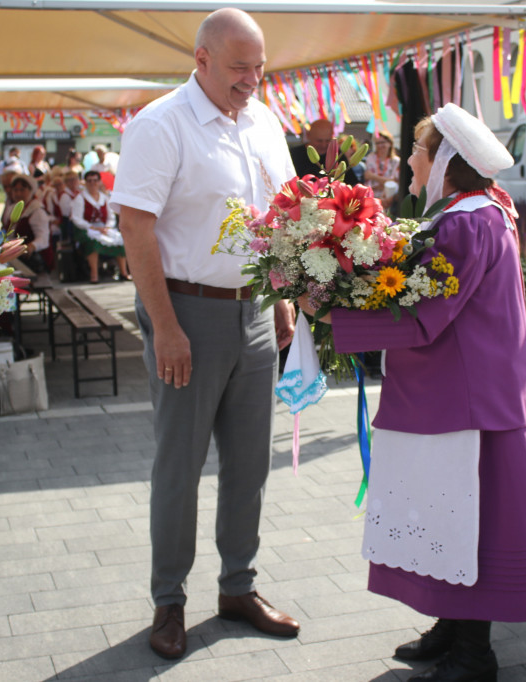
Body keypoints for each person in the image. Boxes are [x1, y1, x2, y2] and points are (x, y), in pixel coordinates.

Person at [300, 103, 526, 682]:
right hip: (465, 395)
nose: (411, 161)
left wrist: (328, 312)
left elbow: (425, 316)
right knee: (451, 522)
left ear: (445, 161)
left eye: (419, 151)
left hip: (464, 404)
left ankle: (474, 654)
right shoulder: (484, 209)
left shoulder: (465, 222)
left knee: (468, 524)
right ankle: (453, 629)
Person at [110, 8, 299, 661]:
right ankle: (169, 601)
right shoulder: (162, 126)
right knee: (180, 468)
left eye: (260, 66)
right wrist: (164, 327)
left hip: (253, 313)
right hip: (186, 314)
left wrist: (278, 293)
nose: (252, 79)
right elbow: (136, 230)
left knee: (250, 466)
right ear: (202, 59)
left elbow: (279, 216)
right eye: (239, 67)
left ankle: (237, 588)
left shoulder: (266, 122)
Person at [71, 169, 127, 282]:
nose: (92, 183)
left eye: (95, 180)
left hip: (103, 228)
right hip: (87, 229)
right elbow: (76, 219)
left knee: (120, 240)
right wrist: (93, 228)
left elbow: (111, 217)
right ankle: (94, 274)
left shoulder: (105, 198)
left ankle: (123, 272)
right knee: (93, 243)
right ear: (85, 182)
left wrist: (107, 227)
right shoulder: (80, 198)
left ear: (99, 182)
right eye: (90, 181)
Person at [289, 118, 361, 185]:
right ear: (308, 135)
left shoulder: (337, 155)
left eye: (327, 141)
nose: (323, 145)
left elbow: (351, 183)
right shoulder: (294, 154)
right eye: (319, 141)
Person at [9, 174, 54, 274]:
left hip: (37, 261)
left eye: (22, 190)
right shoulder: (13, 208)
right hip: (20, 258)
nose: (18, 194)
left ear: (30, 191)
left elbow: (43, 238)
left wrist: (31, 246)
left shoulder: (37, 210)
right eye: (15, 190)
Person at [364, 130, 401, 206]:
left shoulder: (396, 161)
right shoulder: (370, 158)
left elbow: (394, 182)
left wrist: (374, 177)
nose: (380, 146)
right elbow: (367, 176)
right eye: (377, 143)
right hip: (371, 198)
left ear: (390, 143)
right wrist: (386, 181)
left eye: (382, 142)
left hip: (388, 200)